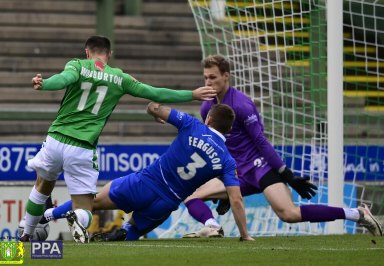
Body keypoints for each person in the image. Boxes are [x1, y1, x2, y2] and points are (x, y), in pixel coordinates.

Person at [19, 35, 218, 243]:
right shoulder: (120, 78)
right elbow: (155, 92)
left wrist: (45, 84)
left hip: (55, 139)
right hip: (82, 147)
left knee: (41, 187)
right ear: (109, 54)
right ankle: (76, 217)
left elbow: (63, 79)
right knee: (85, 207)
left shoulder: (77, 65)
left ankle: (26, 234)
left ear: (87, 52)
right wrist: (192, 94)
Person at [182, 54, 383, 238]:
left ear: (226, 76)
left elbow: (261, 141)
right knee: (191, 195)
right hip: (236, 173)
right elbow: (219, 144)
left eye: (213, 77)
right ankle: (213, 227)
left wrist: (287, 174)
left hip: (260, 167)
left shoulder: (242, 105)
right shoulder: (206, 107)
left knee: (289, 214)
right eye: (206, 78)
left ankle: (358, 214)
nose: (208, 82)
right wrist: (220, 177)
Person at [42, 102, 254, 241]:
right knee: (133, 232)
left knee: (92, 201)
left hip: (144, 183)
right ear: (228, 129)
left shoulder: (192, 124)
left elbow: (153, 107)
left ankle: (46, 216)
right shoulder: (227, 161)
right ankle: (123, 233)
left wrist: (156, 114)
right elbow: (236, 199)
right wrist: (244, 235)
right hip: (166, 203)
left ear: (209, 119)